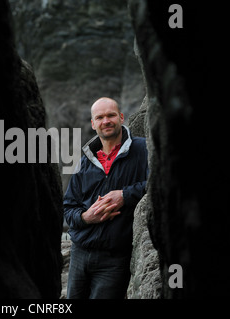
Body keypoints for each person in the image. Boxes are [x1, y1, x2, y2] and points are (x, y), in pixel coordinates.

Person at [64, 97, 148, 299]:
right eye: (99, 117)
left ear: (121, 117)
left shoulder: (143, 150)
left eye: (111, 115)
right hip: (79, 253)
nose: (106, 121)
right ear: (93, 124)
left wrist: (124, 195)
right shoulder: (84, 160)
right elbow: (68, 208)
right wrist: (86, 217)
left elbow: (160, 183)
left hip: (115, 258)